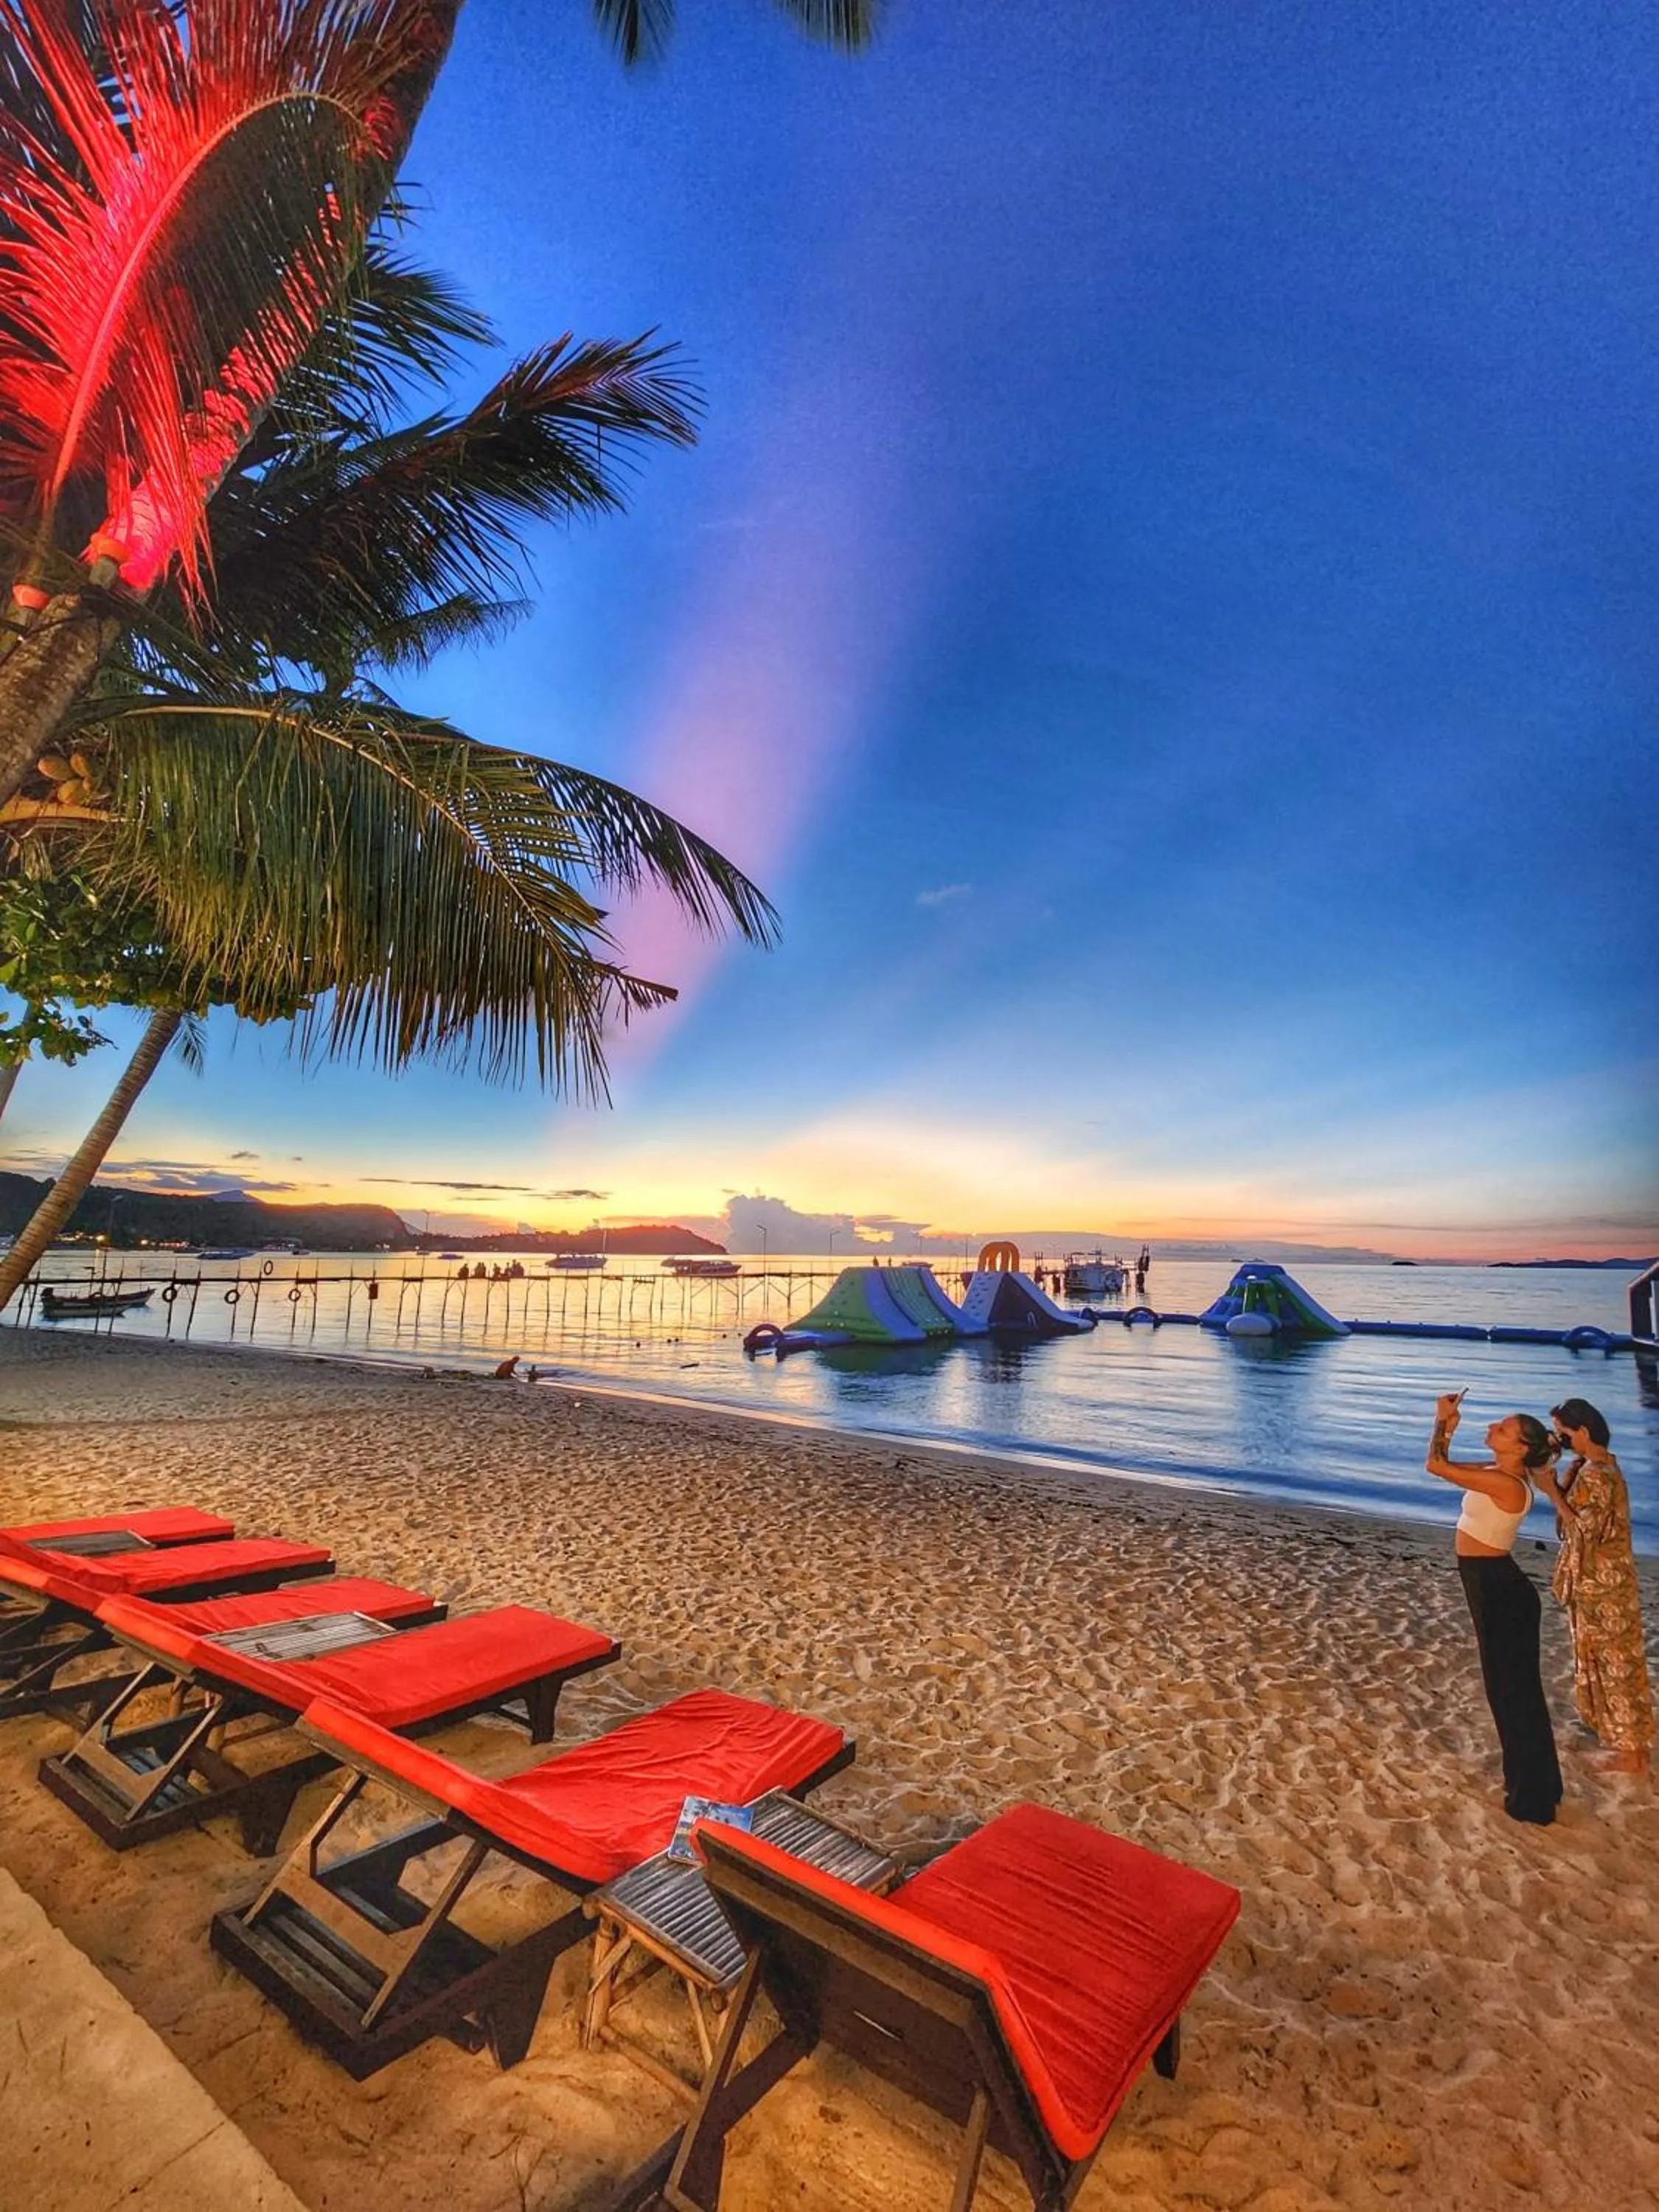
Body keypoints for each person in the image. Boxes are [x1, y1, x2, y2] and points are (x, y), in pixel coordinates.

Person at [1426, 1393, 1562, 1824]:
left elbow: (1436, 1466)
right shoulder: (1495, 1472)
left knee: (1512, 1694)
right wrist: (1448, 1429)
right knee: (1512, 1693)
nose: (1492, 1429)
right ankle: (1537, 1786)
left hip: (1500, 1590)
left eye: (1502, 1429)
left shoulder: (1508, 1485)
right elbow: (1445, 1465)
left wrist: (1442, 1422)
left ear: (1521, 1448)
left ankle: (1533, 1801)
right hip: (1490, 1586)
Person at [1534, 1399, 1652, 1778]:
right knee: (1608, 1663)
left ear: (1583, 1431)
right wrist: (1563, 1483)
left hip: (1604, 1585)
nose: (1560, 1440)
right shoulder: (1595, 1466)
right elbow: (1570, 1524)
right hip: (1601, 1582)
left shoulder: (1599, 1474)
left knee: (1615, 1666)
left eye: (1564, 1433)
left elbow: (1586, 1530)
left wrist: (1552, 1492)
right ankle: (1624, 1744)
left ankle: (1632, 1755)